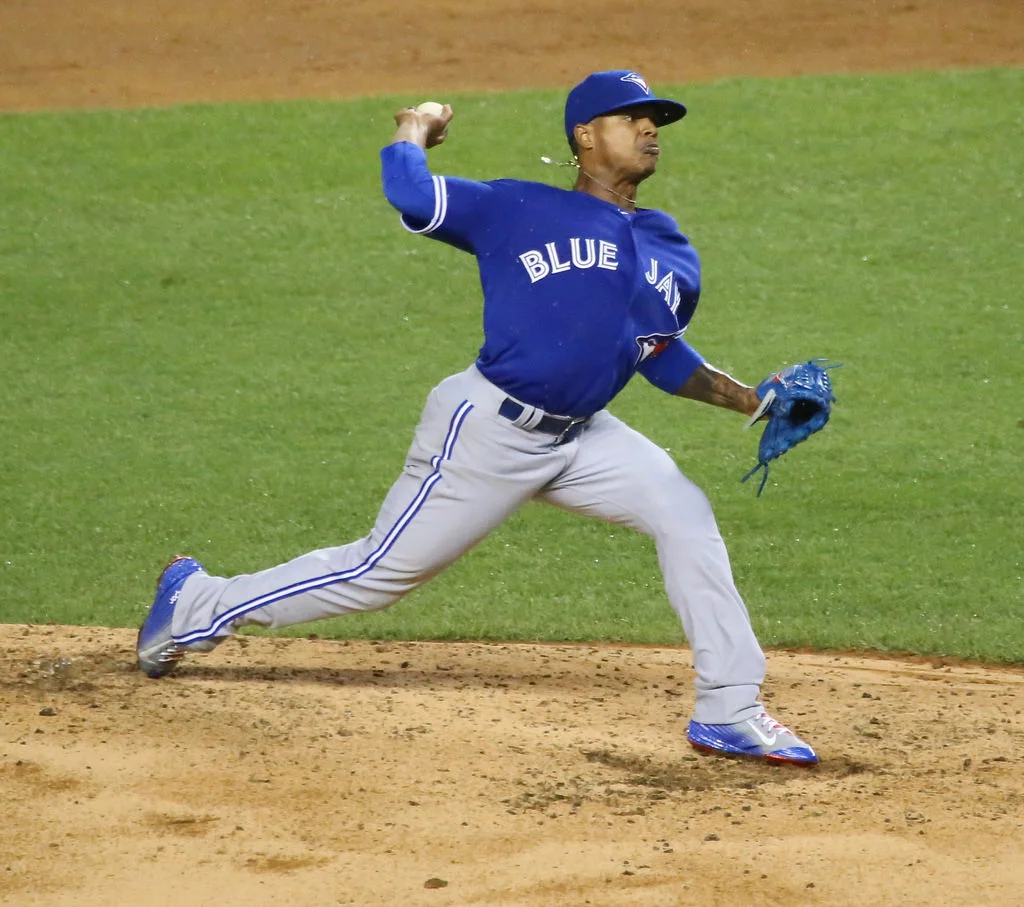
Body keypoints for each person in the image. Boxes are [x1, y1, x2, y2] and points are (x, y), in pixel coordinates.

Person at [137, 70, 818, 766]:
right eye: (628, 118)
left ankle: (729, 708)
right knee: (378, 572)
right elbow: (409, 191)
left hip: (587, 436)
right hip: (490, 429)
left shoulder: (667, 245)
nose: (649, 130)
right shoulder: (517, 208)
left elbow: (660, 355)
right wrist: (415, 127)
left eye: (655, 121)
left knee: (685, 514)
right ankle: (194, 600)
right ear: (584, 136)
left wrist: (753, 399)